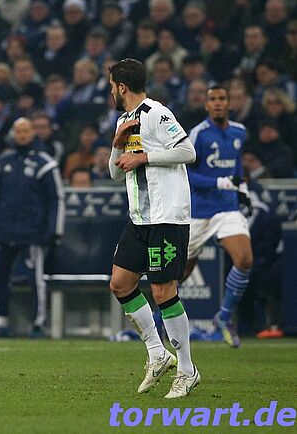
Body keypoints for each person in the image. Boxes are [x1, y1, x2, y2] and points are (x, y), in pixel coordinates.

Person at [106, 59, 199, 399]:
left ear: (122, 87)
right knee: (120, 283)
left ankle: (187, 370)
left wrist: (144, 157)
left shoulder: (156, 113)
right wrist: (117, 145)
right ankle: (158, 353)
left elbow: (188, 151)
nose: (110, 92)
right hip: (140, 218)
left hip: (167, 215)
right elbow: (115, 173)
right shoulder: (124, 121)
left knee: (162, 292)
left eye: (112, 86)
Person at [184, 85, 252, 348]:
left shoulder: (239, 131)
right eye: (213, 99)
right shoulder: (198, 133)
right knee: (180, 274)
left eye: (222, 98)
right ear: (206, 105)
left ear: (229, 103)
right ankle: (159, 319)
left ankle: (223, 316)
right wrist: (218, 183)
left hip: (227, 209)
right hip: (199, 212)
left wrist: (241, 188)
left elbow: (236, 165)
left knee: (244, 259)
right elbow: (186, 173)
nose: (218, 103)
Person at [0, 117, 64, 338]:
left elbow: (56, 198)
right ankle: (1, 321)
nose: (22, 135)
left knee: (35, 280)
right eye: (18, 131)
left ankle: (38, 323)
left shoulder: (44, 163)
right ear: (13, 134)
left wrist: (53, 231)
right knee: (0, 276)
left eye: (26, 131)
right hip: (5, 231)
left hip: (32, 233)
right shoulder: (2, 162)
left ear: (32, 133)